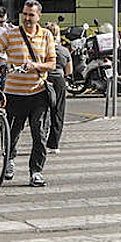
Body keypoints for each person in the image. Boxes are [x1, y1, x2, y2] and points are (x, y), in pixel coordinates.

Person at [0, 0, 55, 187]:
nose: (27, 18)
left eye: (31, 14)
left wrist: (36, 66)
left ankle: (36, 172)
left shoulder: (46, 36)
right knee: (12, 133)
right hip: (14, 93)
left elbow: (52, 64)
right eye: (25, 13)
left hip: (38, 92)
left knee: (39, 134)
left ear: (39, 16)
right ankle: (9, 161)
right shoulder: (11, 34)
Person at [44, 22, 72, 154]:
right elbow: (69, 71)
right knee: (58, 112)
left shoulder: (42, 48)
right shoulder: (64, 50)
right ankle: (53, 144)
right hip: (59, 81)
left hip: (44, 80)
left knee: (42, 112)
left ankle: (41, 141)